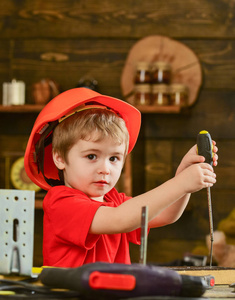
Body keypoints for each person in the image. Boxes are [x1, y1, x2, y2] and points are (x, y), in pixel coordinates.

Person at [24, 88, 218, 267]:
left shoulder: (114, 200)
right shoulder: (61, 202)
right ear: (59, 158)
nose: (105, 169)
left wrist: (184, 173)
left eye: (114, 158)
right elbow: (119, 219)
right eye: (92, 156)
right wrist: (180, 183)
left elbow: (167, 214)